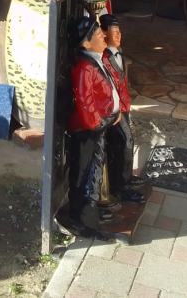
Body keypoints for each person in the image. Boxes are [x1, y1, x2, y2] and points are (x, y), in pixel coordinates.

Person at [66, 16, 120, 236]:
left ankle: (91, 209)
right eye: (98, 34)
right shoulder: (84, 69)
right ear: (86, 43)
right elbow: (85, 103)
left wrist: (114, 111)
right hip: (88, 131)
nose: (104, 36)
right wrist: (100, 122)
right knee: (86, 172)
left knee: (95, 169)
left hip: (100, 127)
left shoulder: (98, 60)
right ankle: (83, 218)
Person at [99, 14, 145, 205]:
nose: (119, 36)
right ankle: (121, 186)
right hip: (113, 109)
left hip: (123, 105)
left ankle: (125, 177)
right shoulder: (104, 57)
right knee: (125, 142)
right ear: (104, 34)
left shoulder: (119, 52)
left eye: (119, 32)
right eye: (114, 32)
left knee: (125, 142)